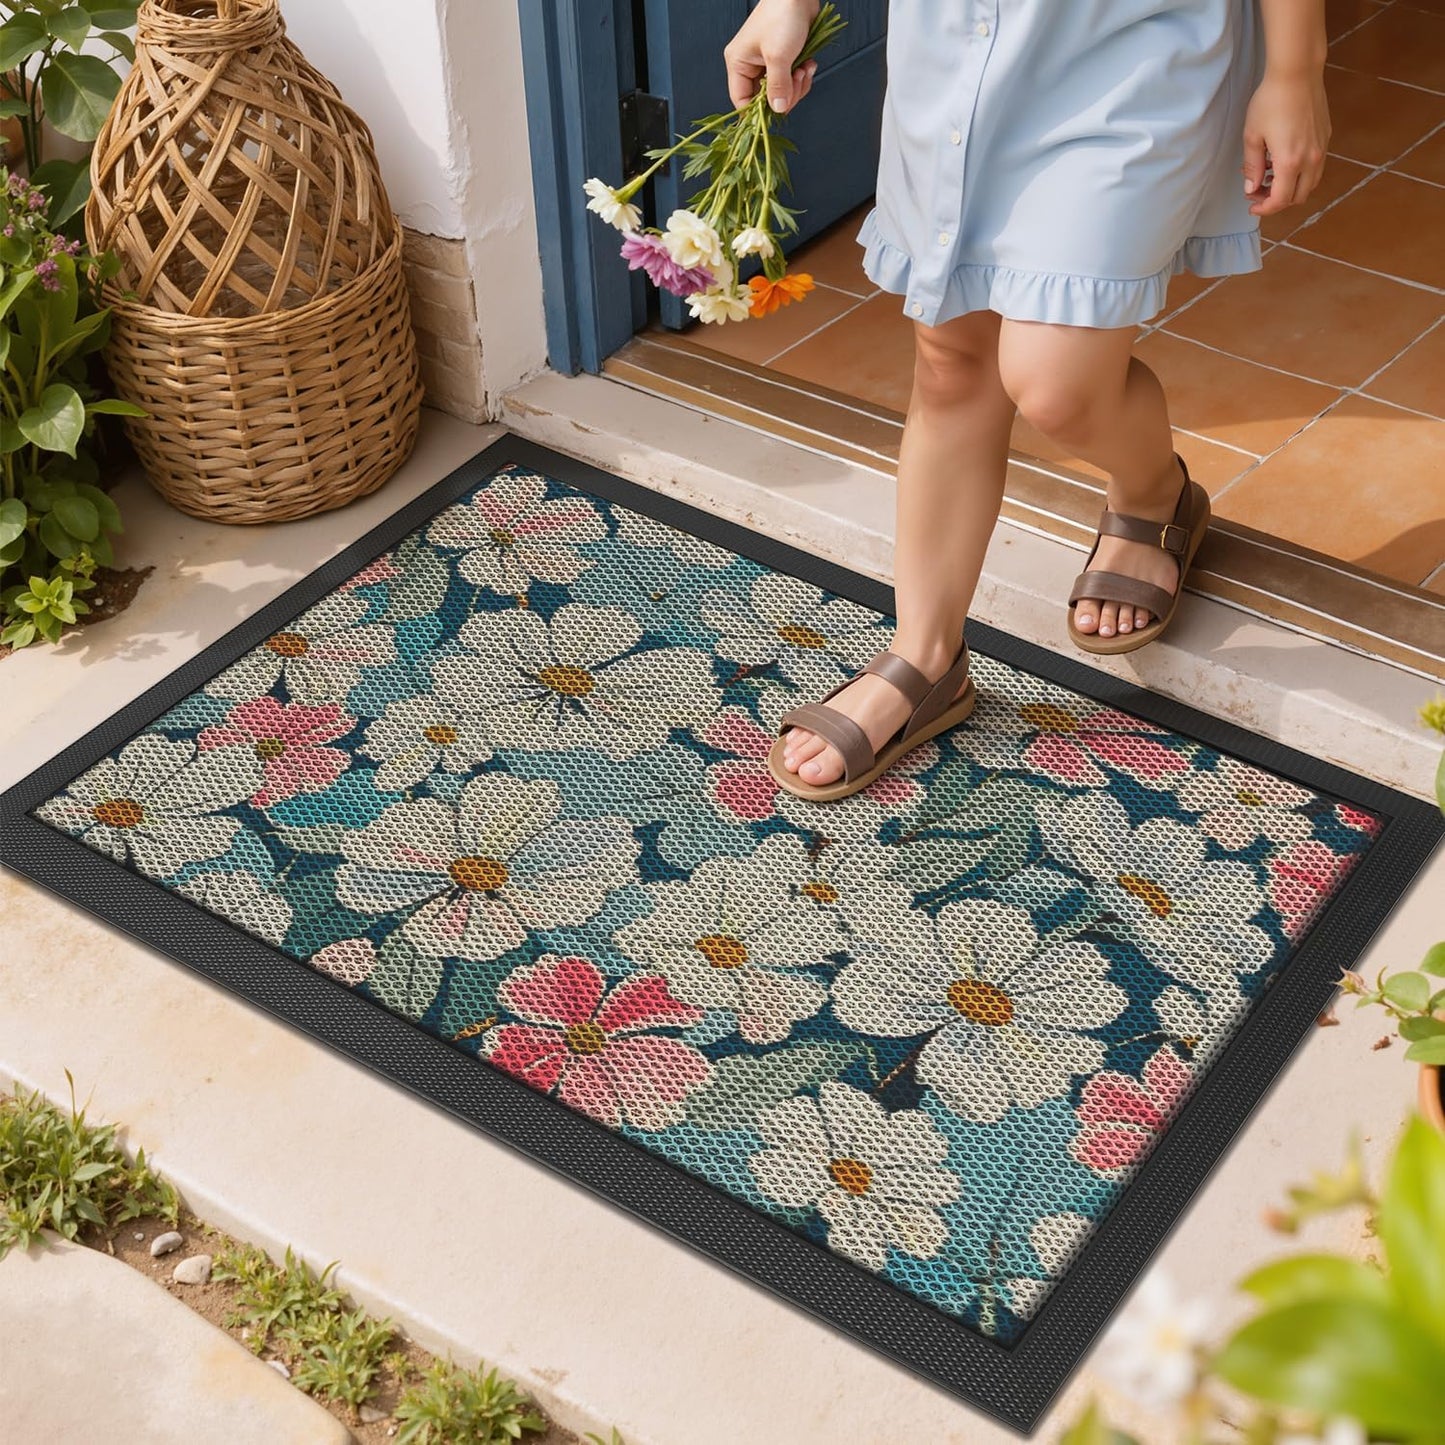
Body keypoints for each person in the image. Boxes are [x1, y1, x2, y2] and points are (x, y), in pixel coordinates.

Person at [722, 0, 1330, 802]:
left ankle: (1152, 491)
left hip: (1128, 51)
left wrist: (1294, 69)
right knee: (950, 360)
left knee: (1054, 382)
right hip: (954, 45)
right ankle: (924, 656)